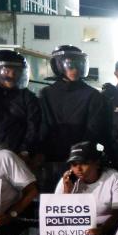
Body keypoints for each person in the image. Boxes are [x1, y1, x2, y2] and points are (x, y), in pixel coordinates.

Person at [38, 45, 109, 191]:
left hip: (80, 163)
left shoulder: (93, 95)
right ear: (58, 66)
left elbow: (94, 129)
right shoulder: (46, 94)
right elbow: (42, 126)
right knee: (52, 204)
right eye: (70, 64)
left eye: (79, 64)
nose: (75, 69)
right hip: (52, 160)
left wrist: (79, 159)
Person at [56, 142, 118, 235]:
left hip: (106, 230)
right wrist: (67, 192)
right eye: (74, 164)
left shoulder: (115, 178)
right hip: (75, 230)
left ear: (97, 163)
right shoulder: (67, 181)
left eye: (83, 163)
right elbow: (57, 215)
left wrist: (102, 230)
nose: (78, 169)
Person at [0, 50, 41, 164]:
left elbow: (33, 127)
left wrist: (25, 150)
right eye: (7, 70)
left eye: (16, 70)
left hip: (19, 155)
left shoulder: (28, 98)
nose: (12, 74)